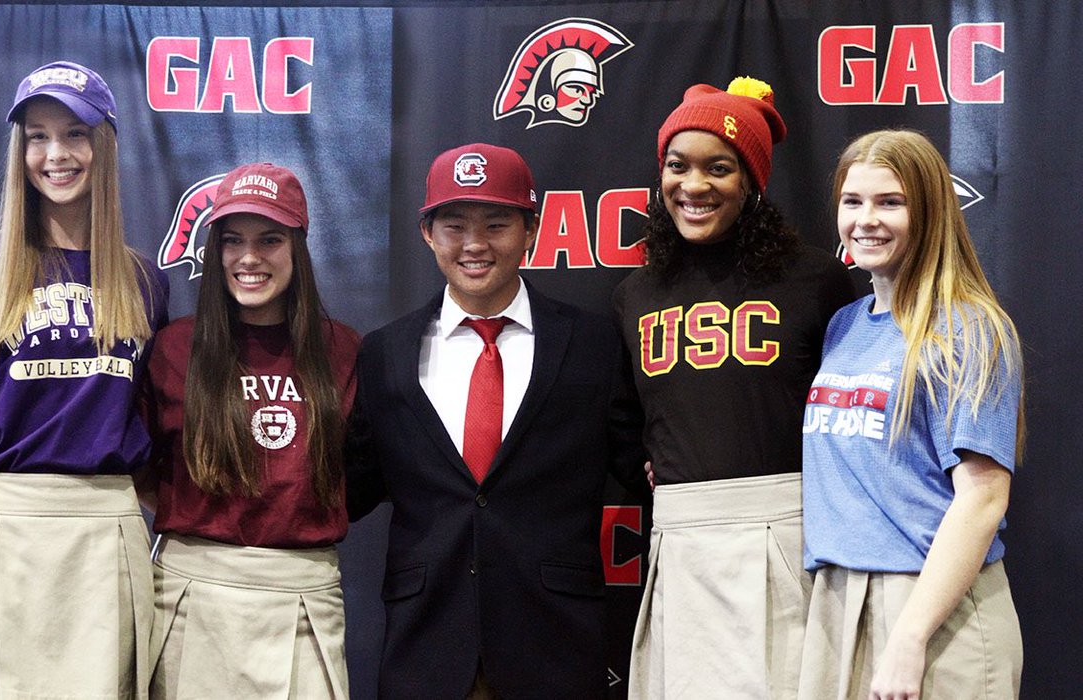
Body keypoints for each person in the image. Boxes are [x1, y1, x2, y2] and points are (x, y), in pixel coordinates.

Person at [0, 61, 168, 699]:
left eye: (75, 133)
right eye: (37, 136)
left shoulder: (142, 280)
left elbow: (148, 433)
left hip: (110, 539)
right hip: (6, 536)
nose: (56, 154)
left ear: (103, 146)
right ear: (19, 150)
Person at [347, 142, 649, 699]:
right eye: (454, 224)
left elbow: (647, 468)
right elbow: (350, 488)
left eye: (496, 223)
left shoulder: (593, 343)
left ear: (531, 229)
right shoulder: (383, 353)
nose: (475, 244)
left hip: (556, 644)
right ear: (427, 233)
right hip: (425, 644)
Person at [612, 77, 856, 698]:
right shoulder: (636, 293)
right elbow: (627, 421)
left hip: (788, 535)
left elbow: (852, 410)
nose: (692, 187)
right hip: (679, 537)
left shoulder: (815, 278)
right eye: (677, 166)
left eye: (718, 168)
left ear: (750, 180)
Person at [797, 129, 1024, 699]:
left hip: (931, 612)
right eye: (854, 201)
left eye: (890, 202)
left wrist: (910, 635)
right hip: (840, 599)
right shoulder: (845, 325)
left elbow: (983, 497)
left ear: (929, 213)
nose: (866, 219)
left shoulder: (969, 328)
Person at [141, 162, 358, 698]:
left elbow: (368, 470)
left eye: (270, 239)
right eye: (232, 240)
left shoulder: (345, 351)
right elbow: (138, 467)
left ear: (298, 248)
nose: (249, 257)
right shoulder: (173, 348)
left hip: (304, 596)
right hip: (190, 595)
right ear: (213, 251)